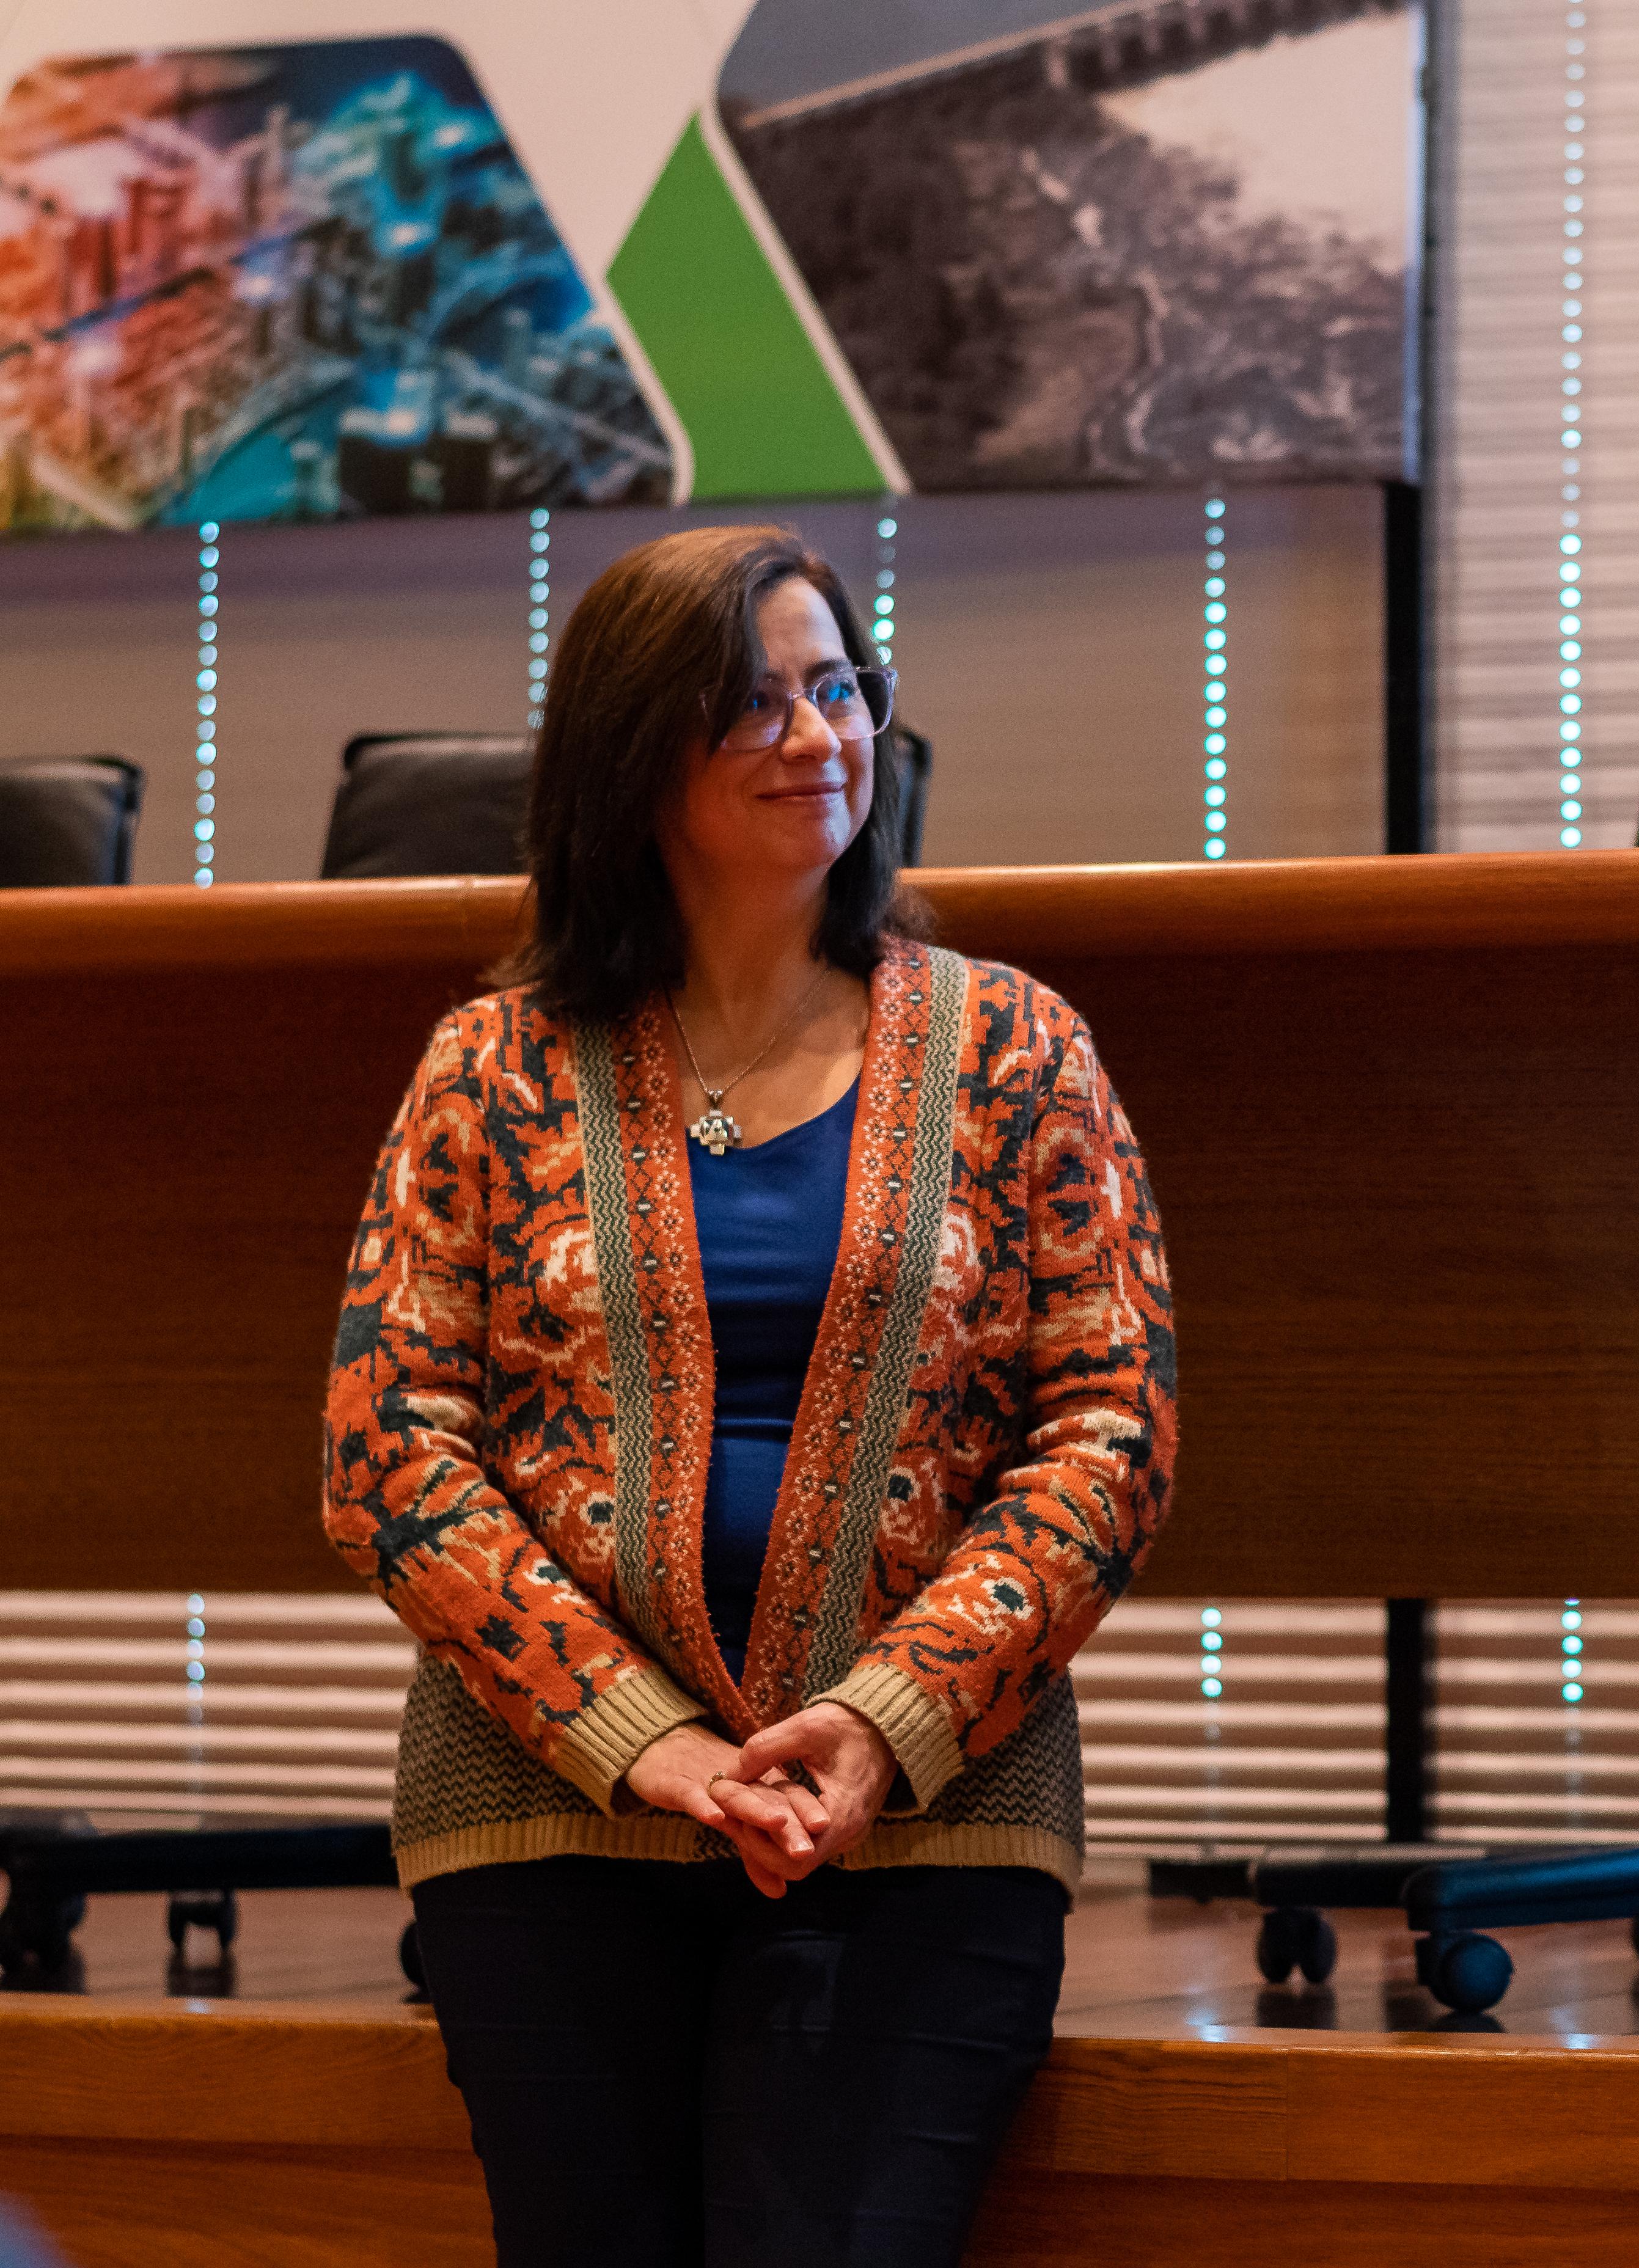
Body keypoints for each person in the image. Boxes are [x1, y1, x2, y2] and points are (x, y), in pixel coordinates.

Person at [322, 524, 1178, 2267]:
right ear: (635, 753)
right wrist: (651, 1751)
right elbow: (388, 1449)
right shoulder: (489, 1067)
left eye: (838, 687)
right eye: (753, 704)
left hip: (928, 1819)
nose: (819, 736)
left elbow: (1113, 1426)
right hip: (546, 1808)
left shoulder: (1017, 1048)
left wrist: (883, 1722)